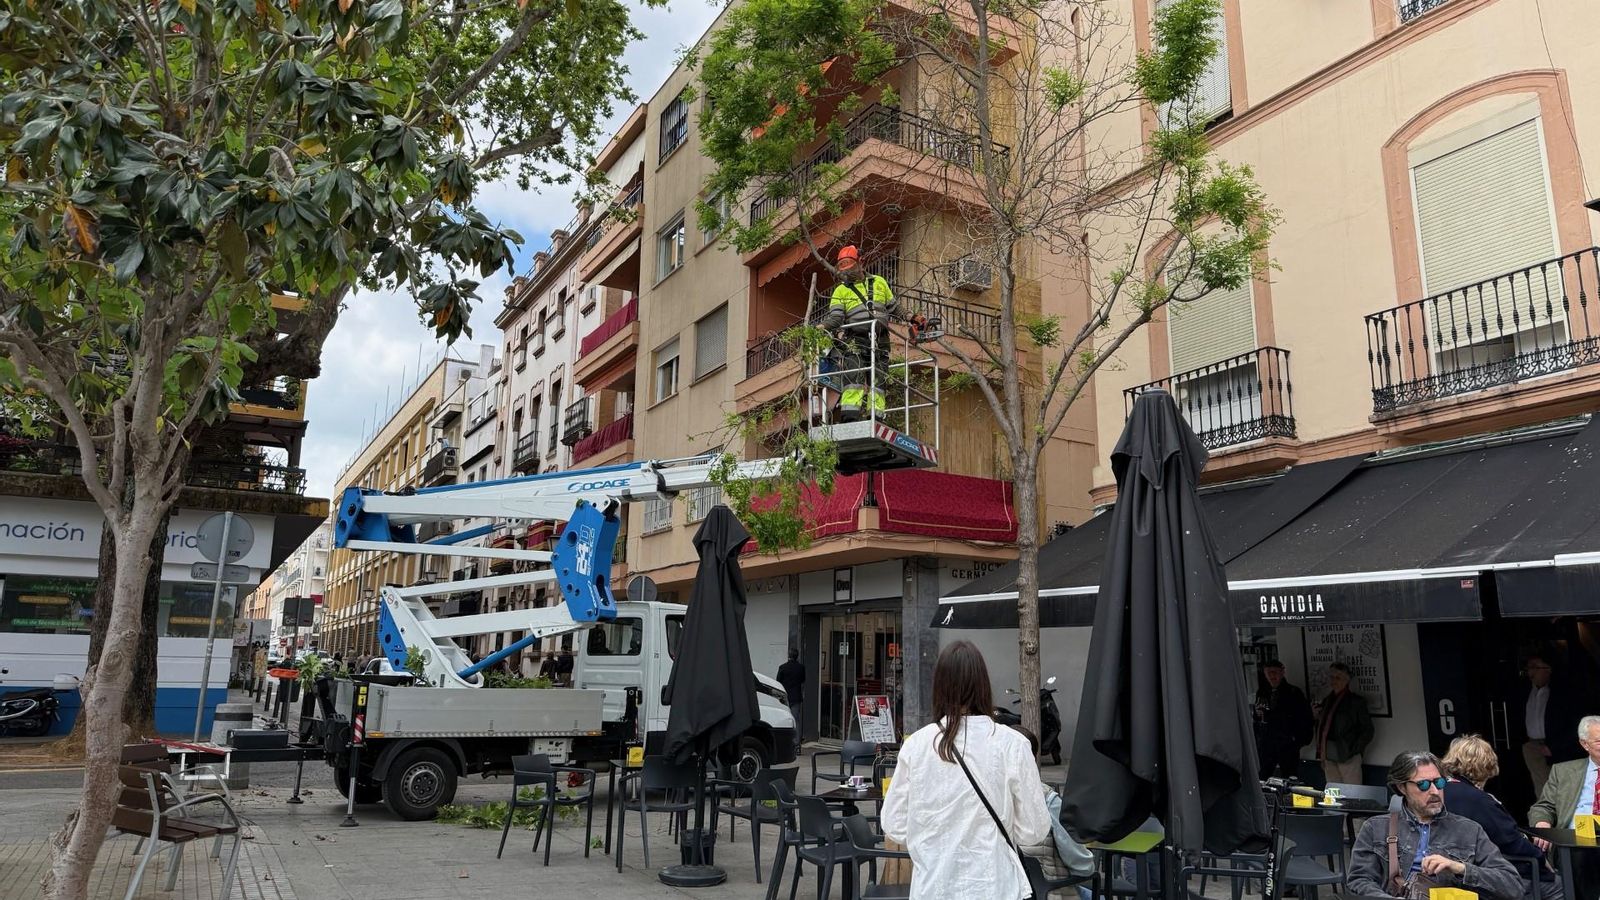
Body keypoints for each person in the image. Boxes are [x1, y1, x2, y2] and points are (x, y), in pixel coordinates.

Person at [882, 640, 1050, 900]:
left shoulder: (917, 745)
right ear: (984, 685)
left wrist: (931, 835)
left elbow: (893, 823)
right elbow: (1034, 830)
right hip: (996, 885)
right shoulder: (1013, 744)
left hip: (933, 887)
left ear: (938, 687)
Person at [1345, 750, 1523, 900]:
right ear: (1401, 788)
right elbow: (1358, 881)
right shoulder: (1376, 828)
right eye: (1423, 785)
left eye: (1439, 782)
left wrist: (1460, 868)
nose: (1435, 791)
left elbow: (1513, 886)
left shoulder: (1469, 830)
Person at [1441, 734, 1562, 898]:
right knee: (1559, 885)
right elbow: (1512, 842)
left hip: (1455, 872)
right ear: (1487, 764)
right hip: (1489, 875)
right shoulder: (1479, 800)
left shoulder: (1441, 791)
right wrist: (1541, 859)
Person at [820, 244, 897, 422]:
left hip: (880, 341)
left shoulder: (879, 282)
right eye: (843, 269)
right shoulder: (841, 290)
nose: (847, 272)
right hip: (854, 340)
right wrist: (822, 328)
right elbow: (836, 318)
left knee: (878, 381)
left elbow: (894, 307)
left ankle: (876, 417)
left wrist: (911, 317)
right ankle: (850, 416)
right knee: (853, 378)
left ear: (860, 262)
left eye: (850, 267)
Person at [1520, 654, 1583, 796]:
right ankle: (1545, 816)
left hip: (1556, 747)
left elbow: (1575, 725)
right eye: (1529, 667)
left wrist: (1554, 746)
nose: (1531, 672)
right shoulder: (1526, 691)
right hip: (1532, 745)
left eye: (1536, 667)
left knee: (1563, 787)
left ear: (1548, 670)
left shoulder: (1562, 693)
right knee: (1541, 786)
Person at [1253, 659, 1313, 780]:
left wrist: (1297, 741)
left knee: (1290, 778)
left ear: (1282, 672)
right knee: (1263, 777)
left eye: (1274, 672)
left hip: (1287, 744)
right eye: (1268, 673)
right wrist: (1258, 716)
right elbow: (1257, 717)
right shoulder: (1262, 692)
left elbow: (1306, 718)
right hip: (1267, 743)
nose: (1272, 676)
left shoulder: (1293, 692)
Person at [1315, 661, 1374, 785]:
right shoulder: (1327, 701)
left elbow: (1367, 730)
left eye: (1338, 678)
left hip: (1348, 753)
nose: (1334, 681)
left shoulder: (1356, 702)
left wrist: (1354, 750)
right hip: (1329, 753)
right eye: (1332, 677)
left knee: (1353, 792)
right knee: (1333, 791)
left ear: (1346, 680)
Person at [776, 648, 805, 753]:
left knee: (784, 719)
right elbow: (802, 680)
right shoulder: (801, 668)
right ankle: (797, 744)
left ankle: (785, 743)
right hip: (796, 696)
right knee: (796, 720)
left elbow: (778, 681)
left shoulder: (783, 667)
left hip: (785, 697)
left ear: (788, 656)